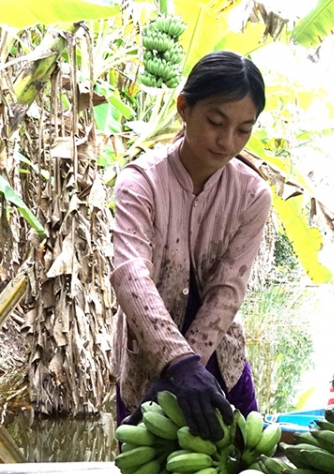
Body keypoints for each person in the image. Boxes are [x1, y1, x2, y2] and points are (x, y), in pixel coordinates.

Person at [111, 51, 271, 441]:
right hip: (147, 359)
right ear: (184, 108)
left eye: (243, 129)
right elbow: (132, 274)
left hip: (220, 358)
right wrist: (175, 365)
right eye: (216, 122)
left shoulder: (252, 196)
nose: (227, 141)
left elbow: (227, 290)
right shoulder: (141, 183)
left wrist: (191, 365)